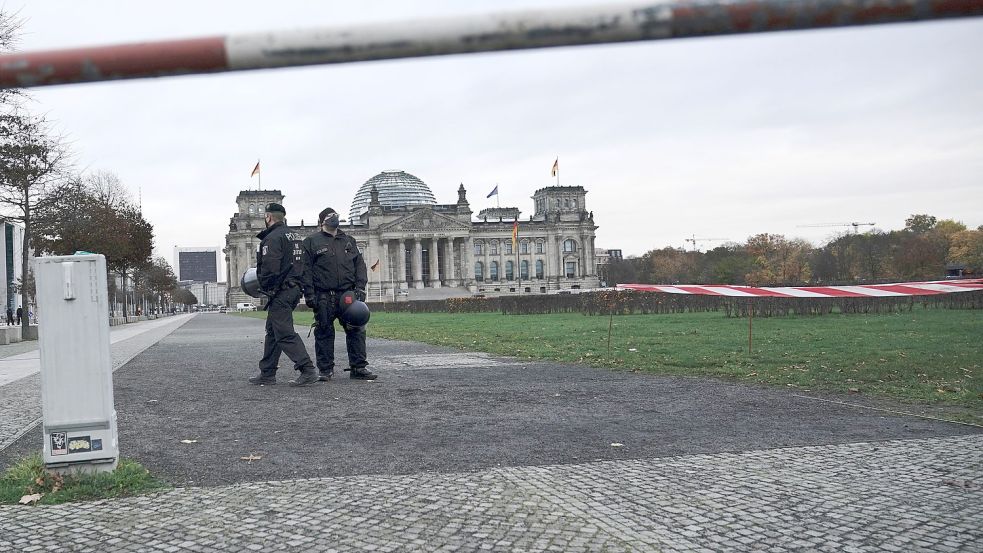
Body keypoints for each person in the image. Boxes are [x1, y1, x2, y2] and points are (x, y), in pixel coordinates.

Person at [301, 207, 377, 381]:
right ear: (322, 221)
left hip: (348, 294)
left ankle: (358, 367)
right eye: (330, 216)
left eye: (336, 215)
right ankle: (326, 370)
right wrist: (309, 293)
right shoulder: (311, 241)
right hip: (323, 295)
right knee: (324, 331)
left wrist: (360, 287)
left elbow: (360, 265)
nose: (334, 218)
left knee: (356, 330)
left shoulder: (348, 240)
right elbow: (306, 270)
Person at [248, 203, 318, 386]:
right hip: (294, 289)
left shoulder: (272, 238)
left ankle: (307, 369)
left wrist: (264, 287)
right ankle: (267, 372)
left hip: (281, 290)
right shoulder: (295, 236)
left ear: (268, 217)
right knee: (273, 331)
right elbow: (304, 266)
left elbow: (270, 268)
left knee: (284, 332)